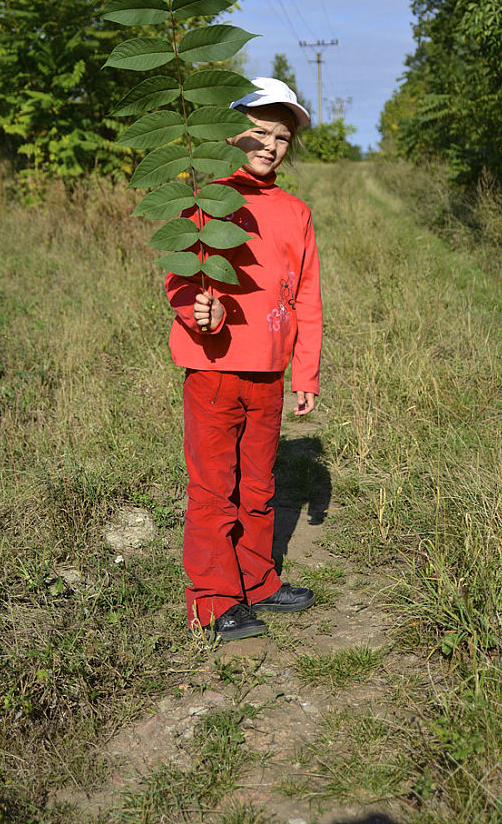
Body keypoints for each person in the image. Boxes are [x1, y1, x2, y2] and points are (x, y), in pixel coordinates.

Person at [165, 77, 323, 641]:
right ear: (230, 132)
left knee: (257, 487)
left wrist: (304, 369)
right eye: (258, 130)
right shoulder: (207, 200)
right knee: (214, 490)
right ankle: (213, 600)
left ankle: (257, 581)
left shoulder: (295, 212)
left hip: (268, 377)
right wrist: (195, 310)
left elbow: (306, 294)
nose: (270, 144)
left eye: (281, 136)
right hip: (213, 371)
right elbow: (179, 275)